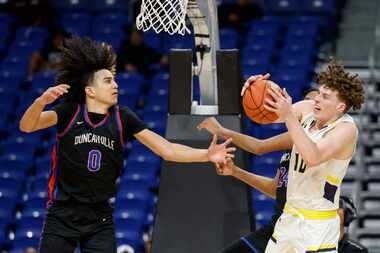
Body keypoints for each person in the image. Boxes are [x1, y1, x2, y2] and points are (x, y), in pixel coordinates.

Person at [19, 36, 235, 252]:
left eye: (114, 80)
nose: (115, 85)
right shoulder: (69, 112)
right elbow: (27, 126)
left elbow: (167, 149)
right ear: (89, 90)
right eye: (107, 81)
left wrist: (206, 154)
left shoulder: (123, 117)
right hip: (62, 215)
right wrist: (41, 102)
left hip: (99, 218)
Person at [245, 58, 364, 253]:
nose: (317, 98)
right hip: (289, 217)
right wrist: (257, 88)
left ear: (340, 107)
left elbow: (313, 156)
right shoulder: (309, 110)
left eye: (325, 97)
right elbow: (267, 114)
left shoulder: (346, 130)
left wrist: (290, 117)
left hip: (317, 225)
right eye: (319, 93)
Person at [197, 87, 319, 253]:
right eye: (306, 101)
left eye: (314, 104)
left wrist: (221, 131)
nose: (307, 107)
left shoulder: (310, 138)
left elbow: (259, 146)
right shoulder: (293, 145)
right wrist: (235, 172)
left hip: (301, 228)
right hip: (279, 225)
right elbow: (275, 189)